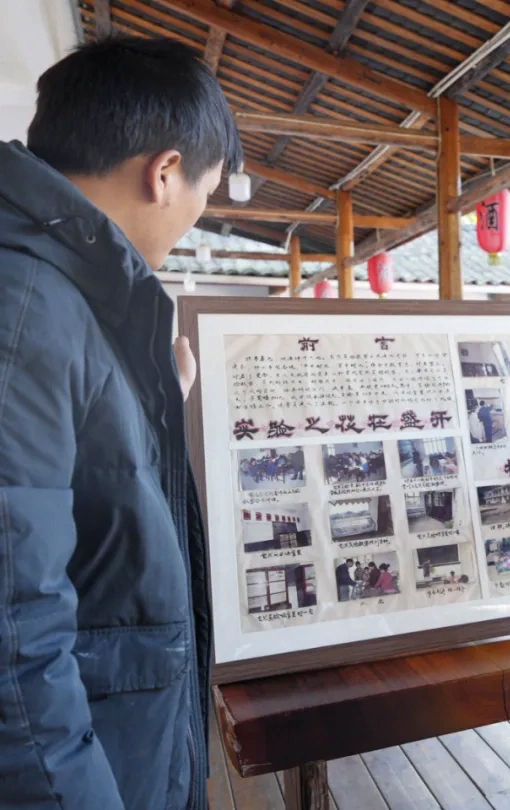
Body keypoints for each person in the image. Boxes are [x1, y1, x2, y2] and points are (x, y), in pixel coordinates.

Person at [0, 36, 242, 810]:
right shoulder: (25, 305)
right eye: (204, 194)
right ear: (163, 172)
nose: (194, 221)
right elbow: (15, 637)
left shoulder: (61, 291)